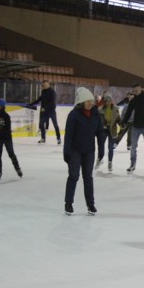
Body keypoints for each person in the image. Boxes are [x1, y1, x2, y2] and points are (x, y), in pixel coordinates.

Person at [63, 87, 105, 216]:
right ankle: (68, 203)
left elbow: (100, 132)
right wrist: (66, 152)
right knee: (74, 176)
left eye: (91, 101)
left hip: (89, 151)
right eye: (87, 101)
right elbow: (68, 135)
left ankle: (90, 204)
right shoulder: (74, 115)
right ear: (81, 101)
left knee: (88, 178)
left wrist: (101, 149)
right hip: (75, 150)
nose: (90, 103)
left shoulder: (96, 114)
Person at [122, 83, 144, 173]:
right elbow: (128, 112)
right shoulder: (133, 101)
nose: (135, 92)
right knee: (133, 147)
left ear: (141, 89)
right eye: (134, 91)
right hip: (136, 127)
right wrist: (124, 122)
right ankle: (132, 164)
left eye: (136, 90)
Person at [0, 98, 22, 181]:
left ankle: (17, 168)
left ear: (1, 106)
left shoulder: (6, 116)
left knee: (11, 154)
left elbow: (7, 128)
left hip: (6, 139)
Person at [29, 80, 61, 145]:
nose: (45, 86)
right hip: (44, 111)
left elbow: (52, 102)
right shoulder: (43, 91)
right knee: (41, 124)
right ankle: (43, 138)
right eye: (44, 85)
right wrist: (31, 104)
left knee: (55, 125)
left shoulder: (52, 92)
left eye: (46, 84)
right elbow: (39, 99)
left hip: (51, 111)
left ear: (49, 84)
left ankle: (58, 138)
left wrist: (45, 108)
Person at [97, 94, 120, 173]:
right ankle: (100, 158)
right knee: (101, 145)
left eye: (109, 101)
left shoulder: (115, 109)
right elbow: (98, 120)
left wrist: (122, 124)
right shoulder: (100, 110)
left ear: (111, 101)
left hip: (112, 130)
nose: (108, 102)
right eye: (106, 101)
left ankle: (110, 163)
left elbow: (118, 119)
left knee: (110, 148)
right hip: (104, 130)